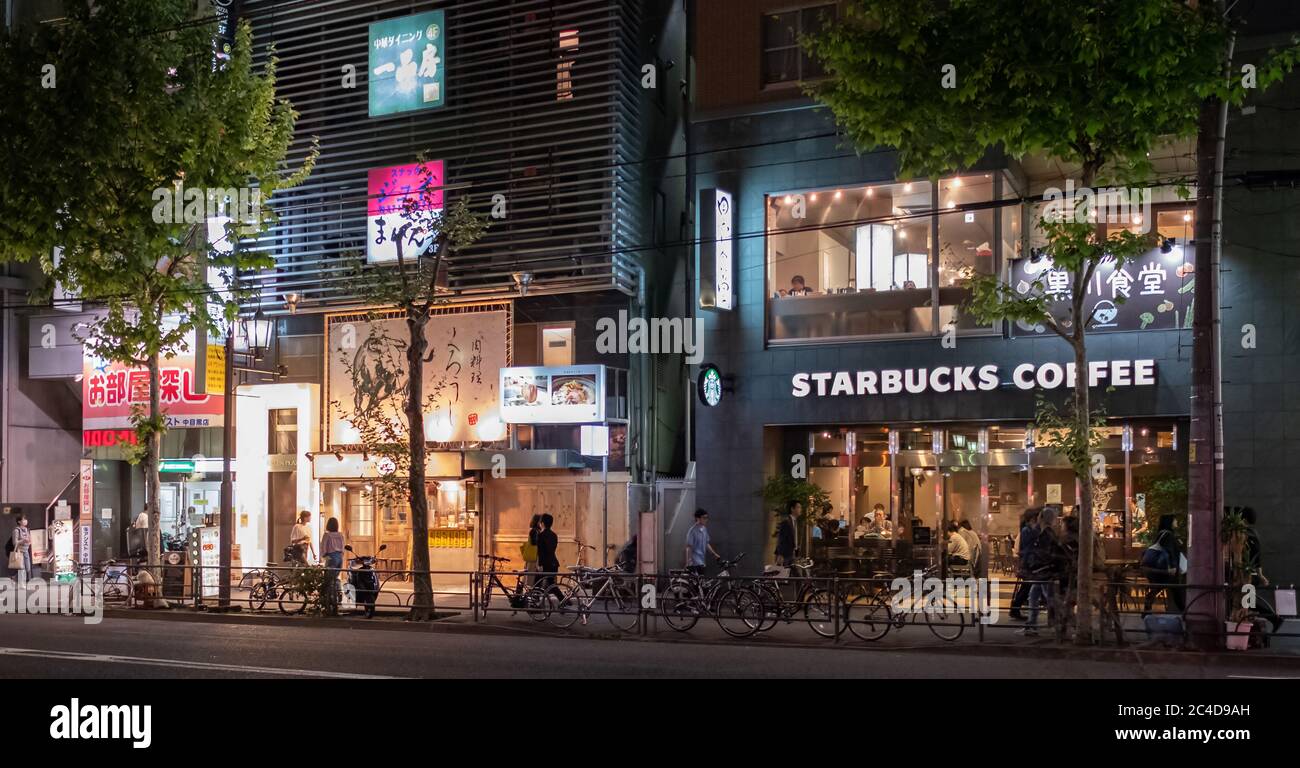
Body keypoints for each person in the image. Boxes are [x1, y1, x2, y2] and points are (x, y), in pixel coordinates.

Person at [1022, 506, 1067, 636]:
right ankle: (1032, 624)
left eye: (1040, 516)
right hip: (1044, 570)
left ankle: (1059, 623)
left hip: (1044, 570)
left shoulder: (1045, 533)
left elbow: (1044, 552)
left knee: (1048, 596)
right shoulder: (1047, 532)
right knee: (1036, 595)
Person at [1240, 506, 1284, 633]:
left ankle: (1274, 619)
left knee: (1246, 601)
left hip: (1248, 575)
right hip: (1252, 574)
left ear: (1243, 518)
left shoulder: (1247, 535)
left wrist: (1259, 575)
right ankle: (1273, 620)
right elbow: (1258, 557)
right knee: (1249, 602)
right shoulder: (1253, 533)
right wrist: (1261, 575)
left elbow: (1255, 557)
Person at [1140, 514, 1185, 616]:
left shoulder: (1162, 533)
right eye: (1174, 520)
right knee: (1176, 592)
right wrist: (1172, 567)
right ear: (1169, 522)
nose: (1176, 522)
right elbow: (1169, 552)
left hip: (1160, 570)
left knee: (1161, 589)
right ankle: (1186, 613)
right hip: (1167, 570)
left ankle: (1146, 611)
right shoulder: (1168, 534)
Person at [1008, 508, 1040, 620]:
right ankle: (1015, 609)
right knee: (1027, 587)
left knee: (1026, 587)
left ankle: (1015, 609)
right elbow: (1027, 549)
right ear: (1033, 519)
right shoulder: (1027, 530)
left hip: (1027, 562)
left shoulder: (1026, 530)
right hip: (1028, 563)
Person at [319, 517, 346, 615]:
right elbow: (343, 548)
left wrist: (324, 557)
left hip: (331, 557)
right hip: (339, 557)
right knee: (335, 578)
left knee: (328, 580)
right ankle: (338, 595)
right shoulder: (340, 535)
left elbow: (323, 548)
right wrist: (340, 556)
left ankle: (329, 603)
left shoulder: (327, 535)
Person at [685, 508, 720, 575]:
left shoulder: (704, 529)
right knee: (697, 583)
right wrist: (688, 562)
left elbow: (706, 543)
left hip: (702, 561)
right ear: (698, 518)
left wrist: (714, 554)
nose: (706, 520)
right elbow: (689, 547)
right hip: (694, 562)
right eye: (704, 518)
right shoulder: (692, 531)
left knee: (701, 582)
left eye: (707, 518)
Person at [536, 513, 560, 587]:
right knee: (551, 586)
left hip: (545, 564)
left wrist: (540, 565)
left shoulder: (540, 535)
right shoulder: (554, 535)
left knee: (537, 584)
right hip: (553, 562)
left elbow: (540, 552)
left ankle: (562, 598)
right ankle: (561, 598)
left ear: (542, 523)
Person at [774, 501, 798, 567]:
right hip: (785, 554)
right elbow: (781, 539)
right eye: (798, 507)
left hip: (792, 553)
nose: (800, 509)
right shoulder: (786, 522)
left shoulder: (795, 521)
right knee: (783, 574)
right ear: (792, 509)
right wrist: (780, 554)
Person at [520, 514, 541, 584]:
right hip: (534, 556)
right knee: (532, 576)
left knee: (533, 576)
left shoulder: (535, 531)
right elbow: (535, 543)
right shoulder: (534, 531)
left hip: (533, 556)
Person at [9, 514, 32, 579]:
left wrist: (29, 542)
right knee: (22, 569)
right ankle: (22, 584)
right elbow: (15, 543)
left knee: (28, 568)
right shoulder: (16, 530)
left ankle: (14, 577)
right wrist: (23, 541)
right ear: (19, 521)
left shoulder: (26, 529)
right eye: (24, 519)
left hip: (26, 551)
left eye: (26, 519)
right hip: (20, 552)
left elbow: (28, 540)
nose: (26, 521)